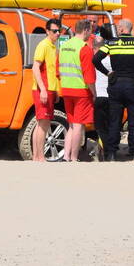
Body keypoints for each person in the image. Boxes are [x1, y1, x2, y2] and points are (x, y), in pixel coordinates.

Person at [92, 18, 134, 160]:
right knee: (133, 122)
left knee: (115, 121)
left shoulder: (111, 43)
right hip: (133, 86)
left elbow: (96, 60)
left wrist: (108, 73)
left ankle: (112, 154)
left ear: (121, 29)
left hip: (116, 85)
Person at [57, 19, 96, 162]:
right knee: (79, 125)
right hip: (81, 91)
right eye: (90, 30)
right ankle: (74, 157)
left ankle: (66, 156)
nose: (90, 33)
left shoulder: (64, 46)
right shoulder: (84, 48)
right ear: (85, 30)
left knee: (72, 125)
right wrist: (94, 93)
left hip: (66, 90)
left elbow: (57, 70)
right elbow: (89, 77)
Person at [30, 18, 61, 162]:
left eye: (59, 30)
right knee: (43, 123)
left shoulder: (53, 46)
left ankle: (37, 156)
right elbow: (35, 67)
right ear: (47, 31)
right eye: (55, 31)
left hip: (49, 89)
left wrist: (55, 91)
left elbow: (52, 71)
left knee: (42, 123)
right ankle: (39, 156)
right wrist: (42, 89)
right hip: (43, 89)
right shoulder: (44, 45)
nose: (58, 33)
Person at [92, 32, 111, 159]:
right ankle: (108, 151)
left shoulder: (92, 61)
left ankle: (103, 150)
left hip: (98, 96)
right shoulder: (111, 60)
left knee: (100, 128)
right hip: (110, 97)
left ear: (94, 48)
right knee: (109, 126)